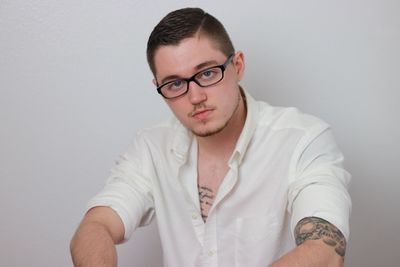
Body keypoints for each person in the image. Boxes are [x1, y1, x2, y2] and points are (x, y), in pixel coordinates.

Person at [70, 7, 351, 267]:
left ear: (237, 65)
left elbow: (324, 249)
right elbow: (97, 226)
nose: (195, 97)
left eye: (206, 73)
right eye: (175, 83)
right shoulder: (151, 147)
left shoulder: (303, 140)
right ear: (158, 87)